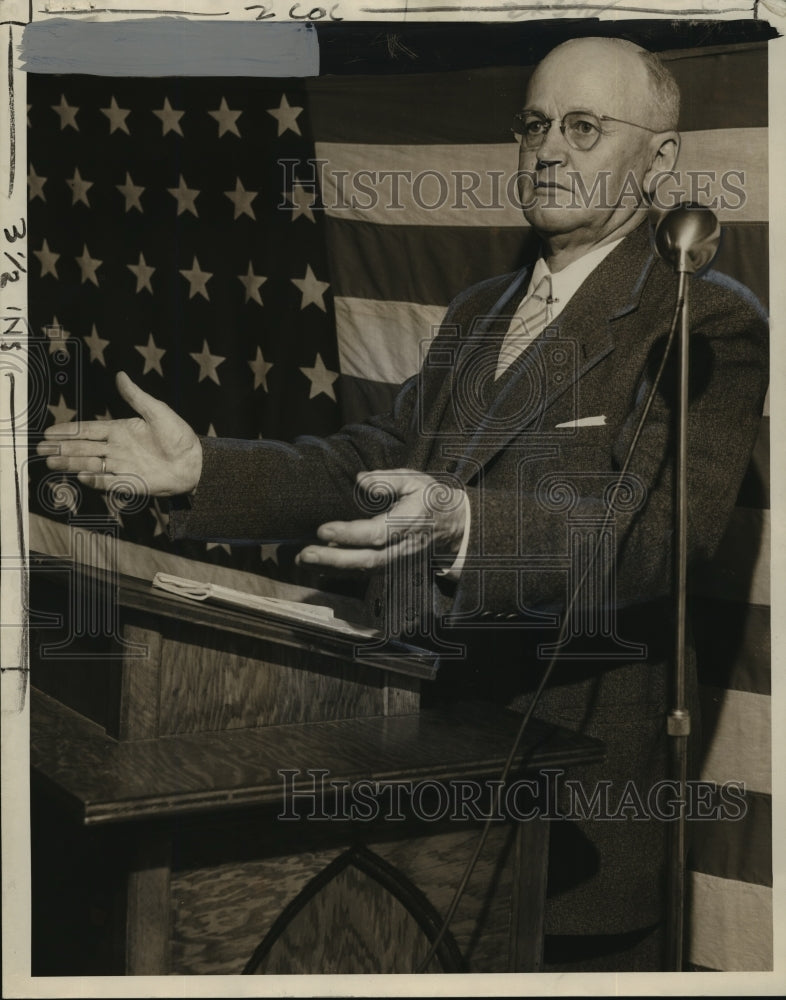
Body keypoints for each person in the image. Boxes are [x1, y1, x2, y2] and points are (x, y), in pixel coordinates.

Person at [40, 37, 769, 971]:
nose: (549, 150)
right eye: (535, 124)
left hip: (575, 811)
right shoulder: (478, 313)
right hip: (416, 777)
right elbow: (376, 465)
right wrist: (203, 474)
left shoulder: (703, 318)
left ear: (660, 161)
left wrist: (463, 525)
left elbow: (655, 539)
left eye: (585, 127)